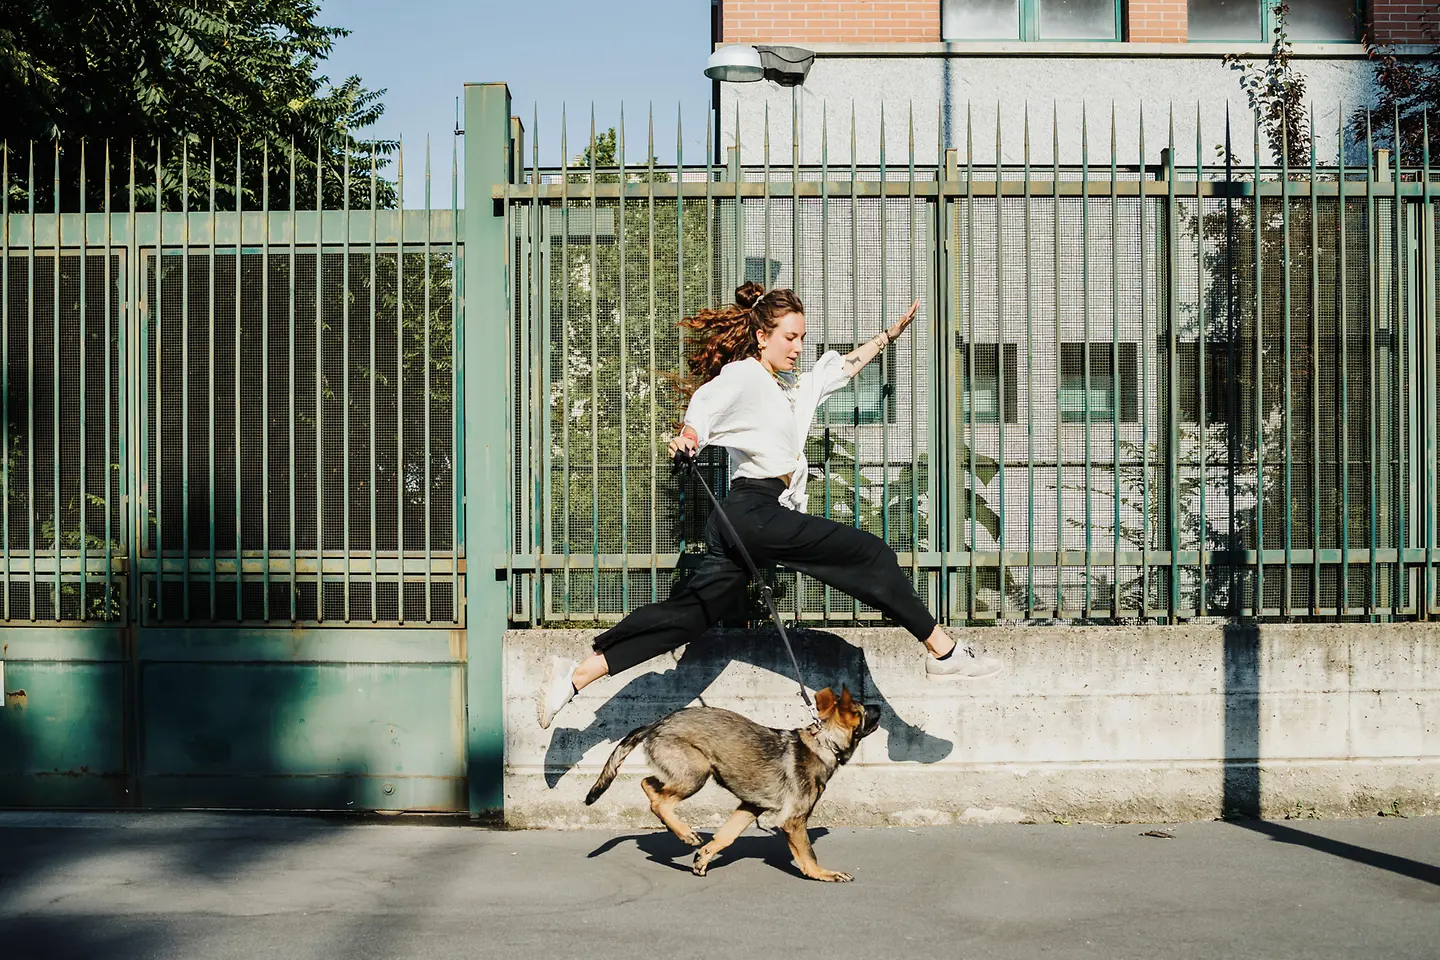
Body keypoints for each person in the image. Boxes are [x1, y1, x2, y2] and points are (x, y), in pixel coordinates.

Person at [538, 282, 1002, 729]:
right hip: (751, 511)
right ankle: (943, 652)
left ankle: (574, 676)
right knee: (871, 553)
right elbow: (705, 404)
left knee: (688, 617)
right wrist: (689, 438)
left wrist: (888, 337)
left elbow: (843, 368)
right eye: (789, 337)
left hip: (749, 520)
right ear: (762, 337)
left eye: (802, 338)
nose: (798, 347)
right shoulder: (745, 375)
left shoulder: (793, 389)